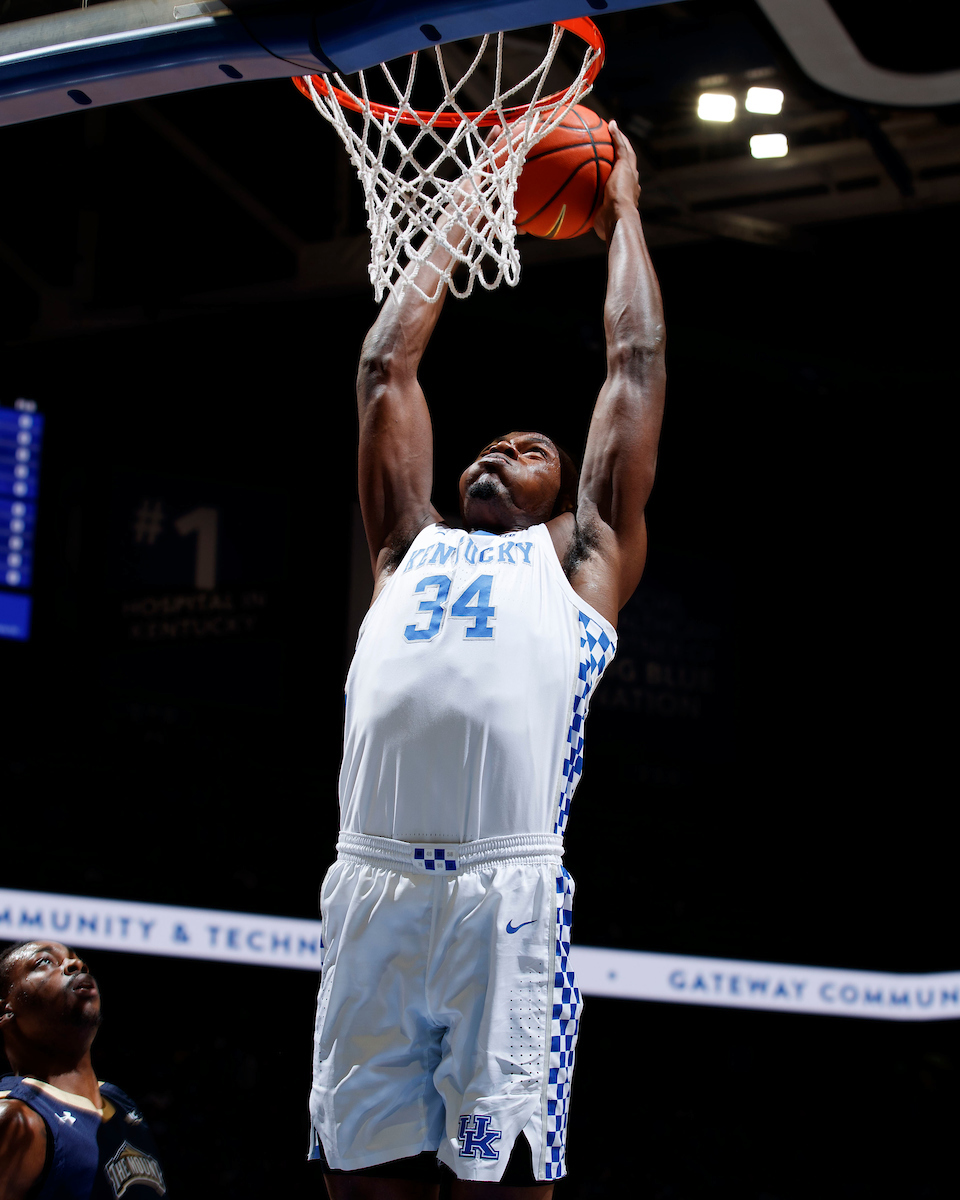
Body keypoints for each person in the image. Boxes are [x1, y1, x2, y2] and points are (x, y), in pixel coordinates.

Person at [309, 122, 665, 1198]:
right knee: (354, 1180)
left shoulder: (583, 561)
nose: (500, 450)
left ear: (567, 492)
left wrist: (624, 215)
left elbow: (634, 366)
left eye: (532, 448)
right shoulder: (404, 548)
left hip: (500, 894)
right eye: (489, 444)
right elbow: (385, 366)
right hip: (369, 880)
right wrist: (463, 209)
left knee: (500, 1188)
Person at [0, 941, 167, 1199]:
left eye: (77, 960)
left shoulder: (120, 1101)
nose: (75, 964)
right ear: (5, 1009)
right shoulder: (17, 1119)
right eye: (44, 962)